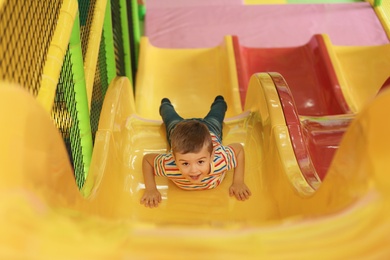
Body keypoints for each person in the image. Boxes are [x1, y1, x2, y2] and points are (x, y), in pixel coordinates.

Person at [140, 96, 251, 208]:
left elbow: (239, 150)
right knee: (170, 119)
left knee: (216, 116)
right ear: (174, 158)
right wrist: (151, 189)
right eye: (185, 163)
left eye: (200, 162)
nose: (194, 170)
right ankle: (165, 105)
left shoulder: (219, 160)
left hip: (209, 129)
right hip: (179, 129)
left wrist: (238, 182)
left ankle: (220, 101)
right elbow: (147, 161)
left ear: (212, 156)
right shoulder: (169, 164)